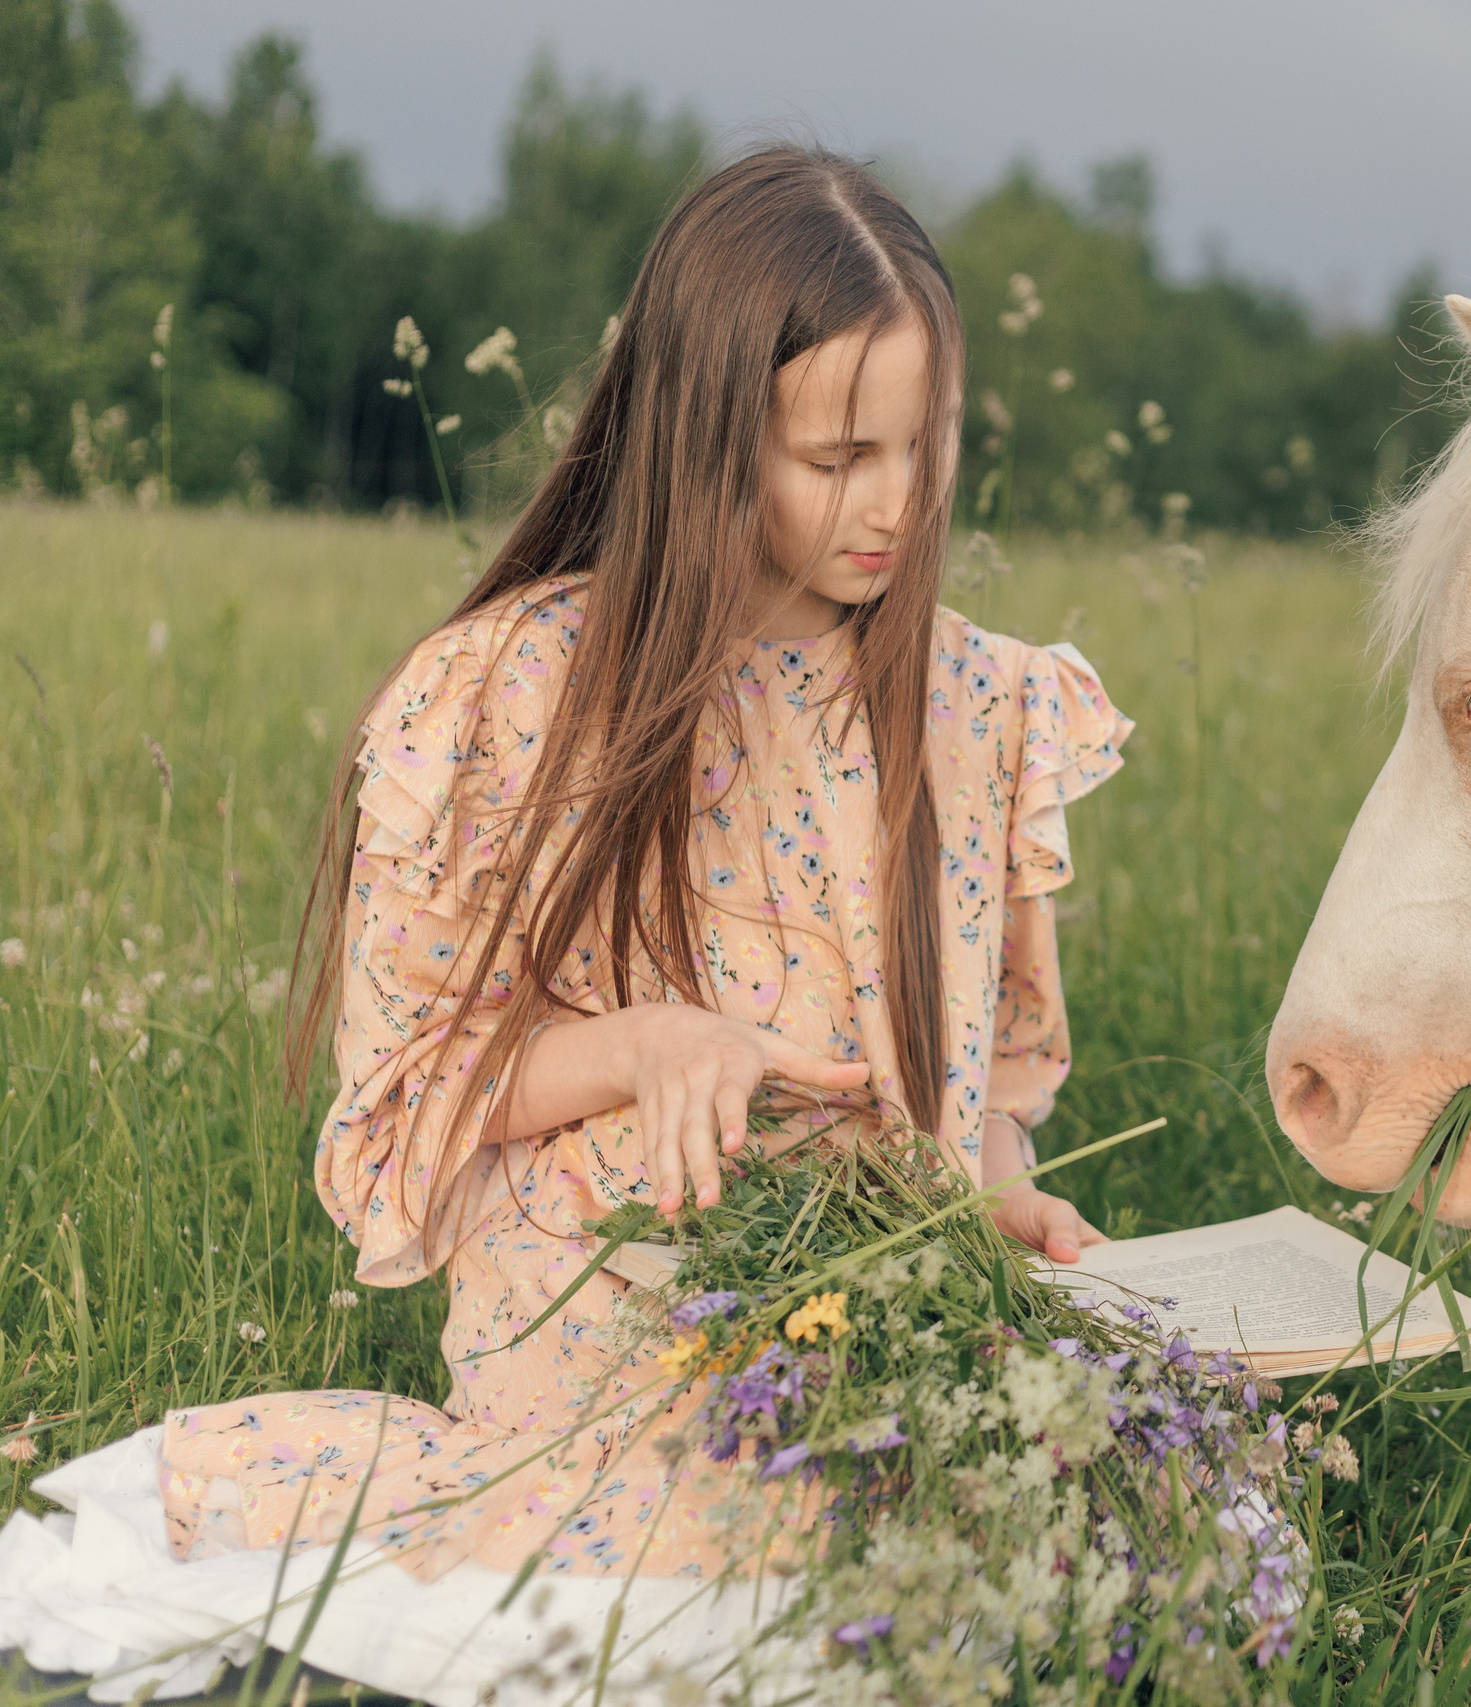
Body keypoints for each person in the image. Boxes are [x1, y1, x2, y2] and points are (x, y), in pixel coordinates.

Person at [0, 146, 1130, 1700]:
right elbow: (413, 1091)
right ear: (707, 435)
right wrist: (637, 1048)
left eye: (923, 443)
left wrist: (994, 1209)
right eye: (835, 454)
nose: (895, 503)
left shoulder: (984, 705)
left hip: (884, 1330)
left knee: (1109, 1517)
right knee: (722, 1572)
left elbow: (983, 1088)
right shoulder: (515, 694)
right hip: (614, 1311)